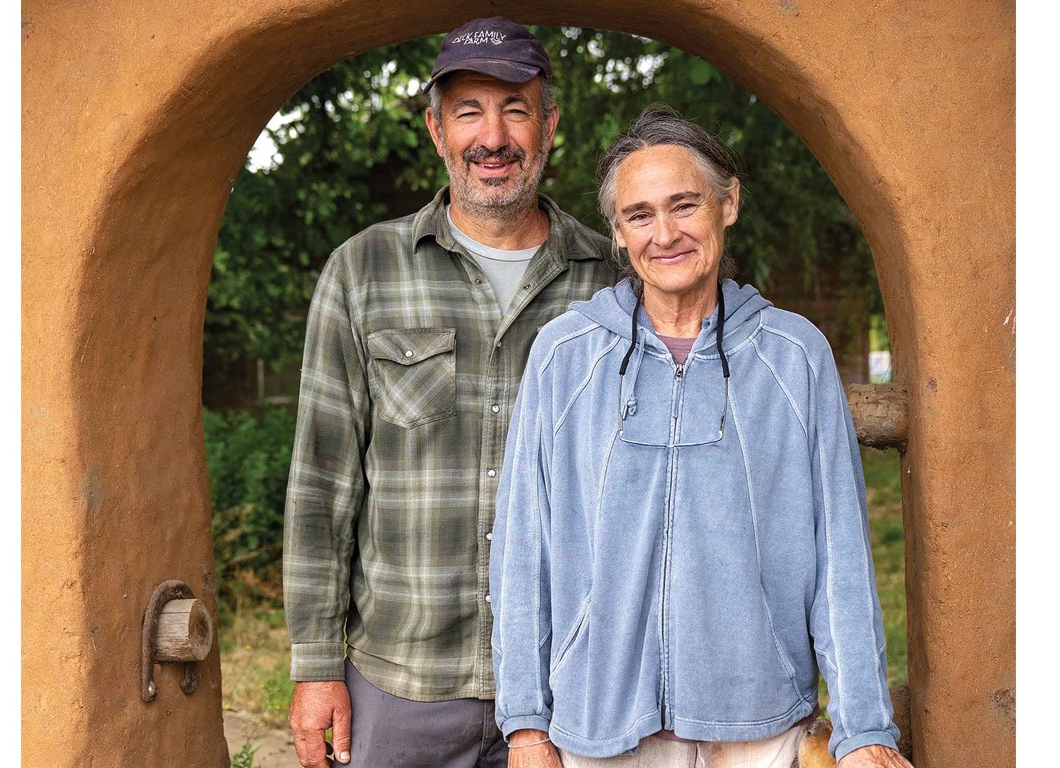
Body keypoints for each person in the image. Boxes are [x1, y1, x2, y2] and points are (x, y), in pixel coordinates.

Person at [490, 106, 914, 768]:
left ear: (728, 203)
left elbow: (841, 554)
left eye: (684, 205)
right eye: (639, 215)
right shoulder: (565, 355)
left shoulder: (795, 356)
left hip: (759, 727)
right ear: (618, 232)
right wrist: (525, 726)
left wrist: (864, 731)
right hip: (600, 728)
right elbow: (523, 549)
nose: (665, 234)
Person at [282, 17, 617, 768]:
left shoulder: (612, 282)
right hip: (404, 684)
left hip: (573, 683)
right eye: (469, 111)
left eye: (515, 110)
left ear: (549, 126)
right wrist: (315, 664)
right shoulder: (363, 271)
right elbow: (321, 484)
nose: (492, 137)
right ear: (437, 131)